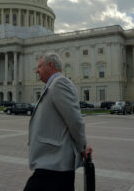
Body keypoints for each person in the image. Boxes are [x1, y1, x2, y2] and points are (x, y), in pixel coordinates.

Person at [24, 53, 93, 191]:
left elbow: (75, 120)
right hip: (52, 164)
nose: (37, 70)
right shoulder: (51, 86)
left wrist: (82, 147)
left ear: (51, 65)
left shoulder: (60, 83)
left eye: (39, 66)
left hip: (55, 163)